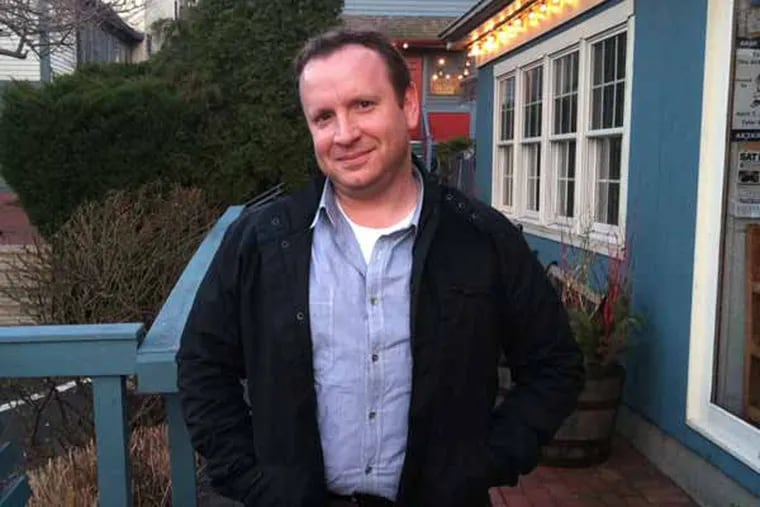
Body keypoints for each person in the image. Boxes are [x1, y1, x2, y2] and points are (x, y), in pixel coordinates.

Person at [176, 29, 584, 507]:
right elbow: (202, 365)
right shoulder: (261, 242)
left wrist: (483, 462)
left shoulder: (482, 239)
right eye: (324, 117)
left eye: (363, 105)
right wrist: (254, 481)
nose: (344, 134)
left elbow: (554, 366)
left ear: (408, 107)